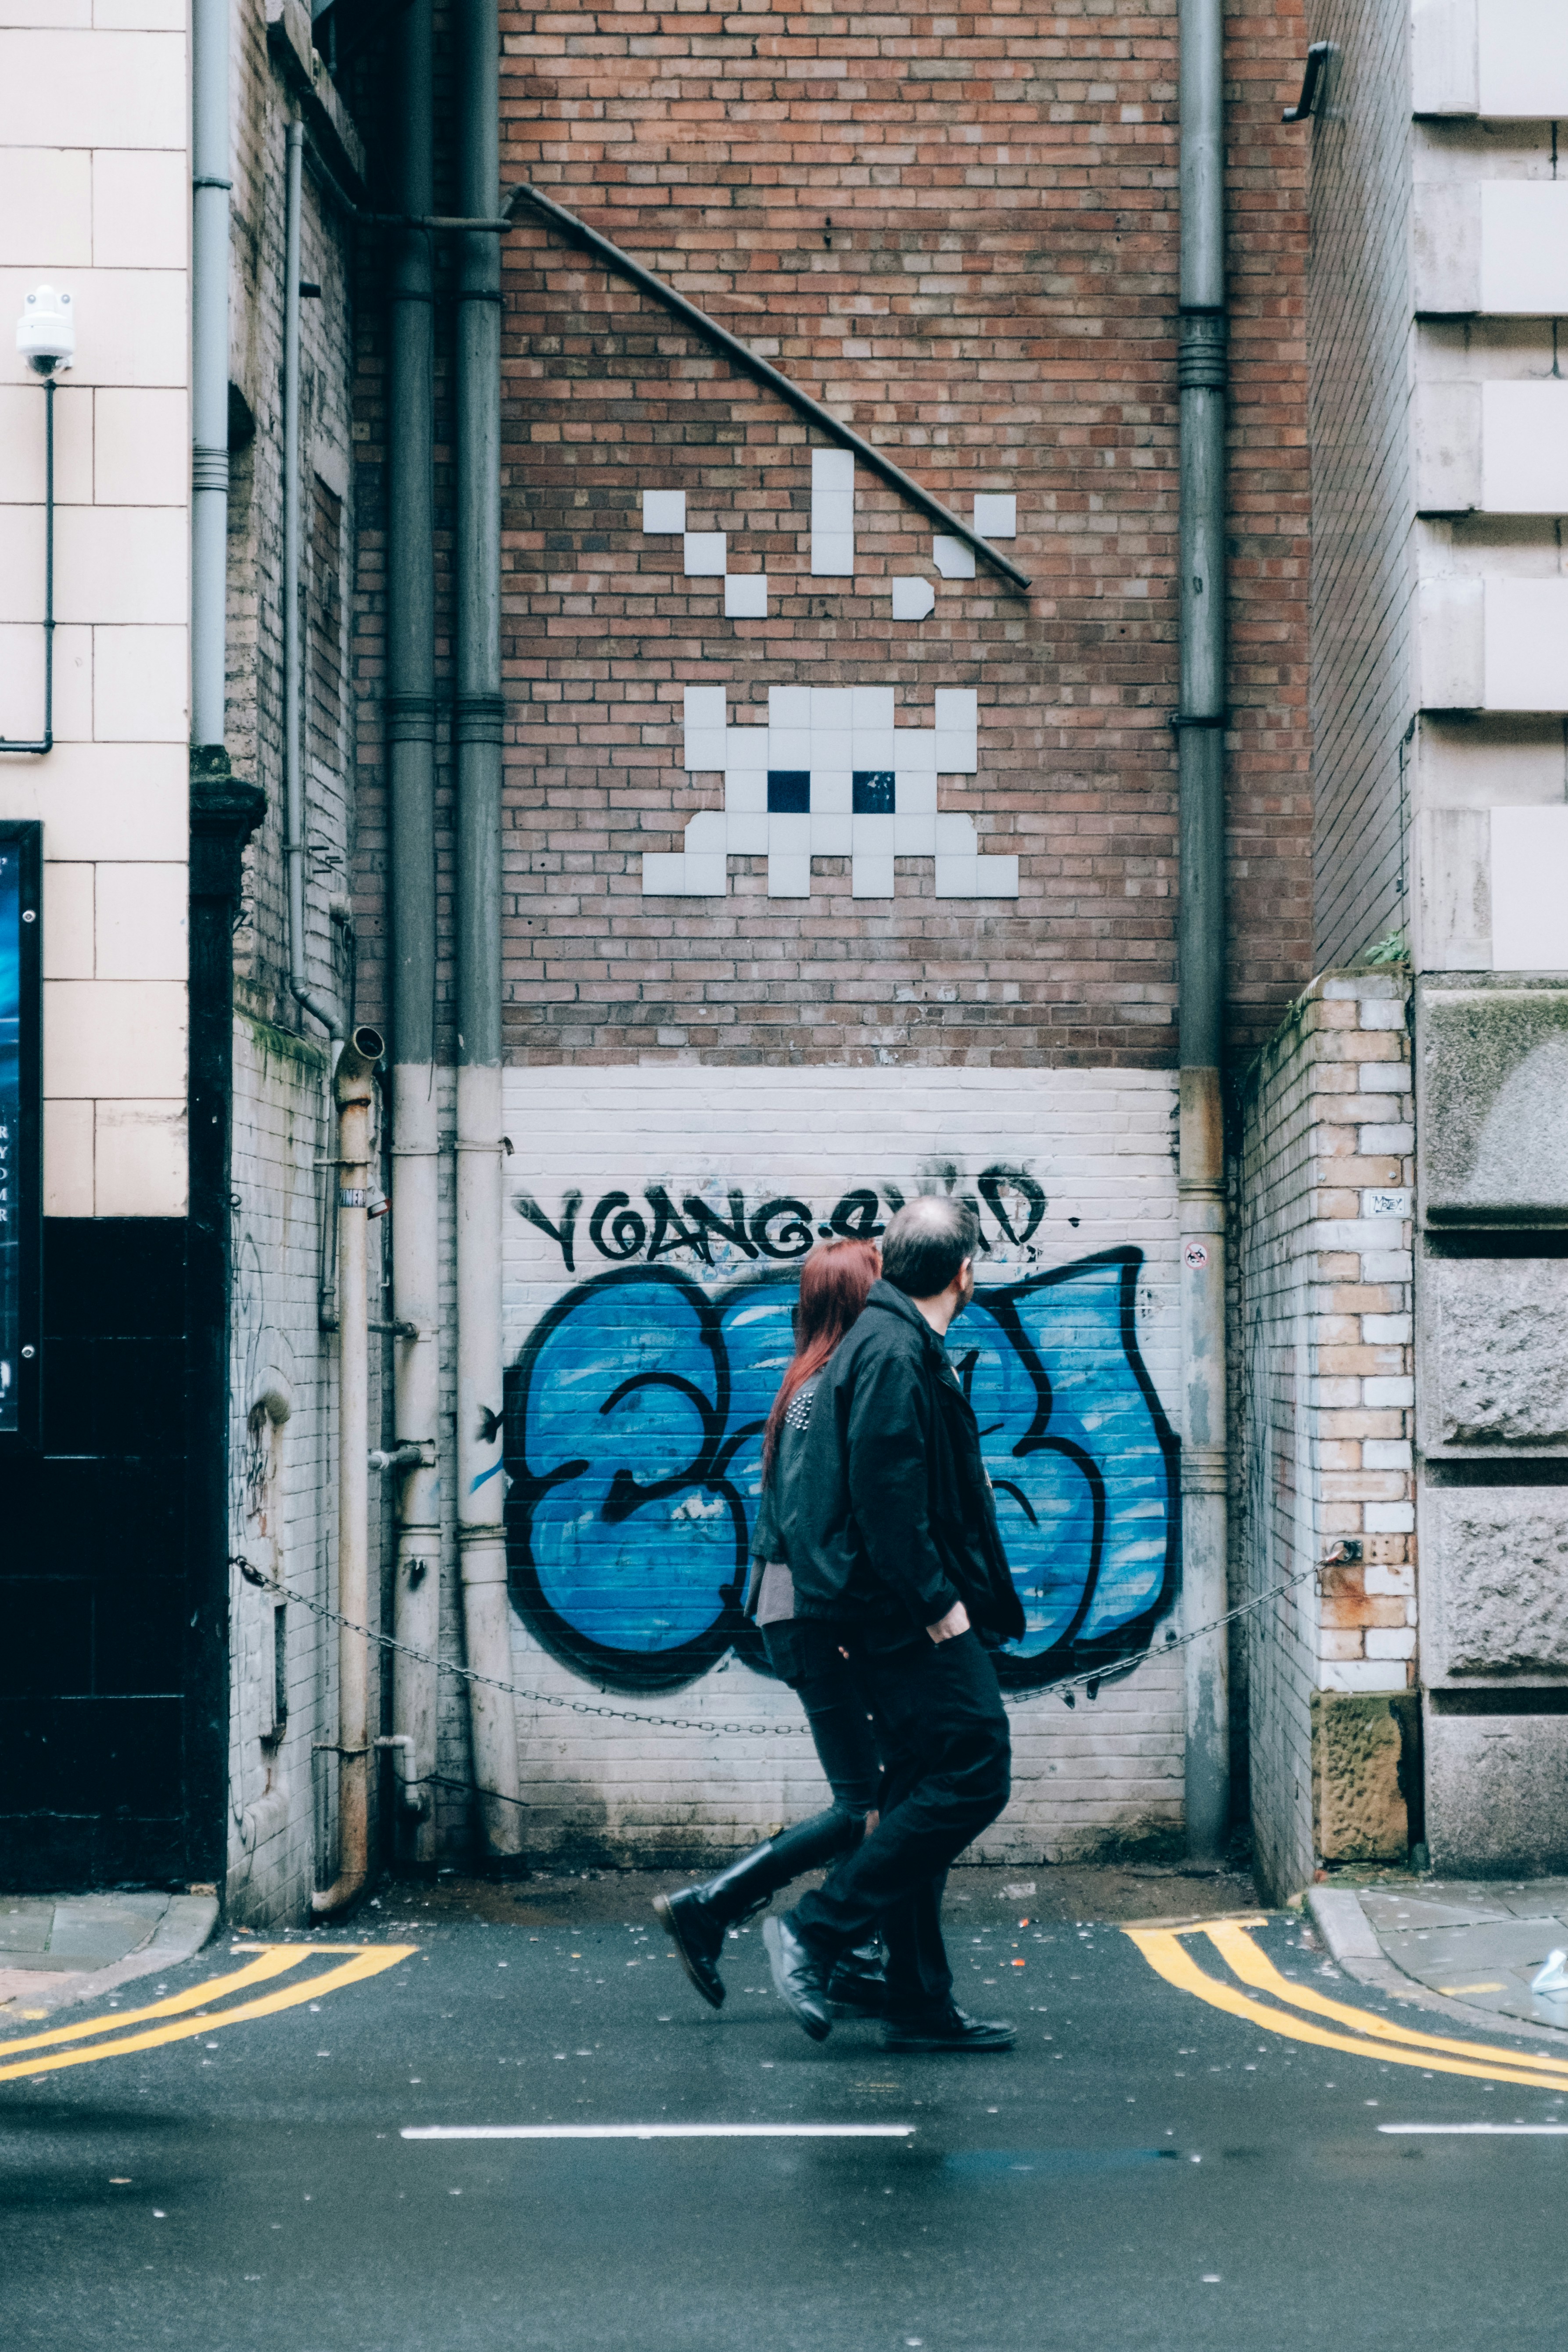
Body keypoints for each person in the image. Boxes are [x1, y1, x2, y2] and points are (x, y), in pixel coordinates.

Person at [761, 1195, 1025, 2053]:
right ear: (962, 1269)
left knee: (915, 1791)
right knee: (976, 1765)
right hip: (902, 1621)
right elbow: (883, 1494)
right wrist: (938, 1606)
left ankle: (916, 2000)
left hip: (885, 1614)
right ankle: (817, 1928)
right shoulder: (890, 1349)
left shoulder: (893, 1342)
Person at [653, 1238, 887, 2012]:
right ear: (854, 1300)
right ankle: (712, 1907)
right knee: (864, 1803)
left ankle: (855, 1952)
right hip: (814, 1618)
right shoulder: (821, 1388)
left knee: (877, 1797)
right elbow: (807, 1517)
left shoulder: (816, 1380)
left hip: (813, 1615)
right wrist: (841, 1616)